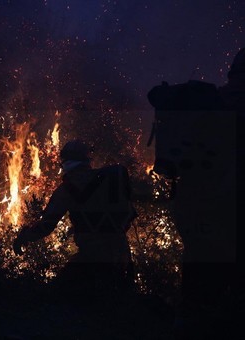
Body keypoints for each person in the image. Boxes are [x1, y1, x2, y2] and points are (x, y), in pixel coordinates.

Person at [147, 48, 243, 338]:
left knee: (199, 272)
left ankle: (187, 322)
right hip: (230, 208)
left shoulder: (210, 103)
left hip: (192, 207)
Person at [13, 139, 137, 297]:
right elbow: (128, 214)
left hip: (92, 257)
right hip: (122, 254)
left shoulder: (67, 189)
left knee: (57, 298)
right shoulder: (107, 180)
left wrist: (23, 237)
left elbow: (46, 226)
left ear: (65, 162)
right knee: (118, 307)